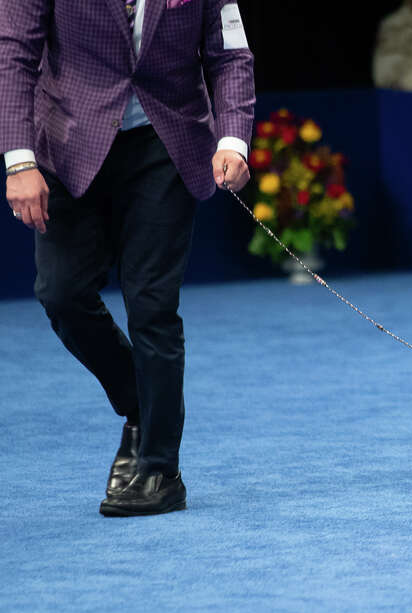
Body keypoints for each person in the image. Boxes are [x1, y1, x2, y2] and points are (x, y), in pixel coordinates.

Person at [0, 0, 255, 516]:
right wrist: (18, 160)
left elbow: (230, 56)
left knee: (152, 306)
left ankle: (160, 467)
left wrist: (233, 140)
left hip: (167, 144)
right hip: (69, 143)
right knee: (61, 293)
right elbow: (12, 55)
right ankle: (140, 404)